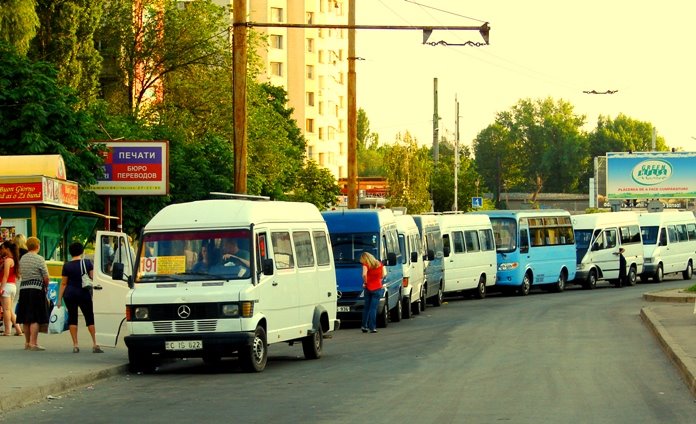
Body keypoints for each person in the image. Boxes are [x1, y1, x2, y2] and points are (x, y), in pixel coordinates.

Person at [57, 242, 103, 353]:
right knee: (89, 317)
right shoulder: (87, 263)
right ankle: (95, 343)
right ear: (82, 251)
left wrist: (59, 299)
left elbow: (63, 283)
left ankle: (75, 345)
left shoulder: (67, 265)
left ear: (70, 252)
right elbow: (93, 278)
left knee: (72, 318)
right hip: (83, 293)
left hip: (70, 294)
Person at [16, 237, 49, 351]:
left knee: (26, 317)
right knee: (35, 317)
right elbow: (45, 276)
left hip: (24, 289)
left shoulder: (22, 259)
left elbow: (20, 272)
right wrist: (46, 286)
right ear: (37, 246)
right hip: (36, 288)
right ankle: (33, 343)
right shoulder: (39, 259)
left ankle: (27, 343)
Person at [1, 241, 24, 337]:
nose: (1, 250)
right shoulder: (13, 259)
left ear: (7, 249)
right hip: (12, 286)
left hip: (6, 286)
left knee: (6, 310)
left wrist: (1, 288)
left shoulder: (7, 261)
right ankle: (18, 330)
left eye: (2, 248)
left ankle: (7, 331)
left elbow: (5, 276)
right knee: (9, 309)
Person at [360, 251, 386, 334]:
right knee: (373, 308)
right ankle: (373, 327)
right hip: (378, 287)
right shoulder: (379, 264)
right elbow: (384, 274)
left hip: (368, 287)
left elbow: (364, 274)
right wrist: (378, 279)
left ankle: (364, 326)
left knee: (367, 307)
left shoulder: (366, 265)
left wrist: (365, 282)